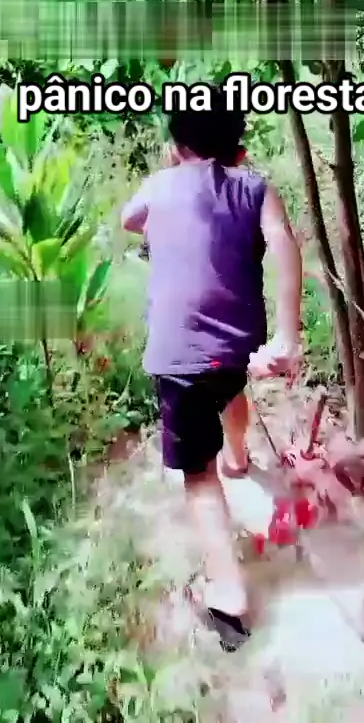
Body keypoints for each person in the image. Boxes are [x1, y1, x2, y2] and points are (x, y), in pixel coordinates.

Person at [121, 85, 302, 651]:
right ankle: (239, 458)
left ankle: (228, 598)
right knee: (227, 389)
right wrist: (288, 336)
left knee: (198, 475)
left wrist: (166, 193)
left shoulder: (160, 184)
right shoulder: (256, 187)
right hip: (236, 348)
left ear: (175, 147)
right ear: (240, 151)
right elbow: (284, 243)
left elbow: (129, 220)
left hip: (179, 357)